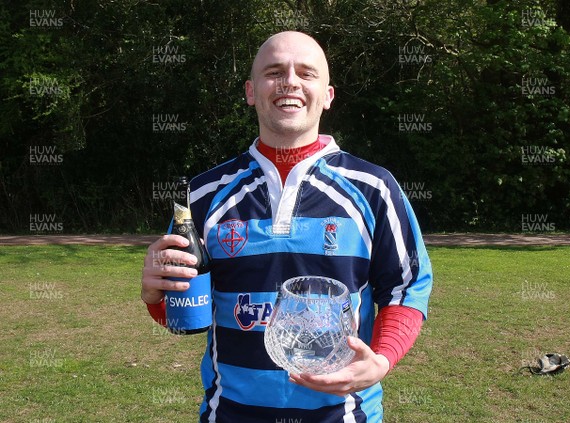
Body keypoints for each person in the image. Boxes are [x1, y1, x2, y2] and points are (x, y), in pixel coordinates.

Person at [141, 30, 433, 423]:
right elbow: (186, 310)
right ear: (250, 91)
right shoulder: (203, 194)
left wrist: (381, 359)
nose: (290, 81)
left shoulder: (375, 188)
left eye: (306, 73)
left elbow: (406, 286)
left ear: (328, 95)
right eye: (274, 71)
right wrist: (157, 297)